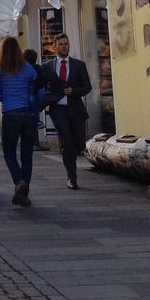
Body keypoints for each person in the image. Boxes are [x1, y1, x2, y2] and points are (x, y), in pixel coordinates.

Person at [0, 37, 47, 207]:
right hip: (28, 115)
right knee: (27, 154)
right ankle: (24, 192)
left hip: (10, 114)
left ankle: (18, 181)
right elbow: (40, 91)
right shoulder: (28, 68)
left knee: (9, 152)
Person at [43, 33, 92, 190]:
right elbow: (43, 87)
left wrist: (74, 91)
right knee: (67, 143)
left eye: (66, 44)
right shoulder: (48, 66)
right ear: (55, 46)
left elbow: (87, 87)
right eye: (61, 44)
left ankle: (75, 152)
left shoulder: (79, 65)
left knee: (78, 143)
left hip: (76, 109)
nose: (64, 46)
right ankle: (72, 177)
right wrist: (47, 100)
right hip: (58, 110)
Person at [23, 48, 48, 152]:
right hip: (38, 98)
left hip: (29, 98)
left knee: (31, 119)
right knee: (33, 118)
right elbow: (43, 81)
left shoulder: (24, 68)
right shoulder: (39, 68)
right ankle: (34, 143)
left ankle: (33, 143)